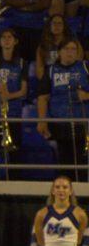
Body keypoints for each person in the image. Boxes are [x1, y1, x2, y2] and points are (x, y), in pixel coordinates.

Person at [37, 38, 89, 176]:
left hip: (83, 124)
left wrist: (87, 95)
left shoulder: (85, 67)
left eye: (73, 49)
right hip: (59, 124)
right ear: (59, 52)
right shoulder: (51, 70)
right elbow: (43, 97)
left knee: (83, 163)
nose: (70, 52)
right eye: (66, 49)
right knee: (64, 163)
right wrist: (42, 121)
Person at [35, 13, 77, 81]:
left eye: (59, 23)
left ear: (64, 26)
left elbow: (78, 65)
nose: (56, 26)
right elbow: (39, 70)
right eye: (54, 23)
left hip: (70, 78)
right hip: (50, 79)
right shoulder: (42, 46)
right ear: (49, 26)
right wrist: (47, 83)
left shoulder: (73, 43)